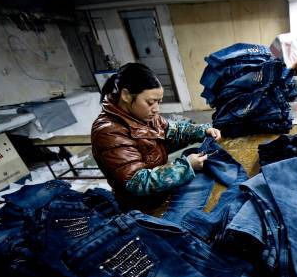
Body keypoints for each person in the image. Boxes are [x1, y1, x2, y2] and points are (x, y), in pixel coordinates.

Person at [91, 63, 221, 212]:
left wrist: (203, 130)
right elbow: (137, 182)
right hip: (143, 207)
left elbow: (173, 131)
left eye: (159, 102)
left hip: (162, 192)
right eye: (150, 102)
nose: (156, 109)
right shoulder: (108, 133)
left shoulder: (143, 115)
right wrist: (185, 167)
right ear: (126, 95)